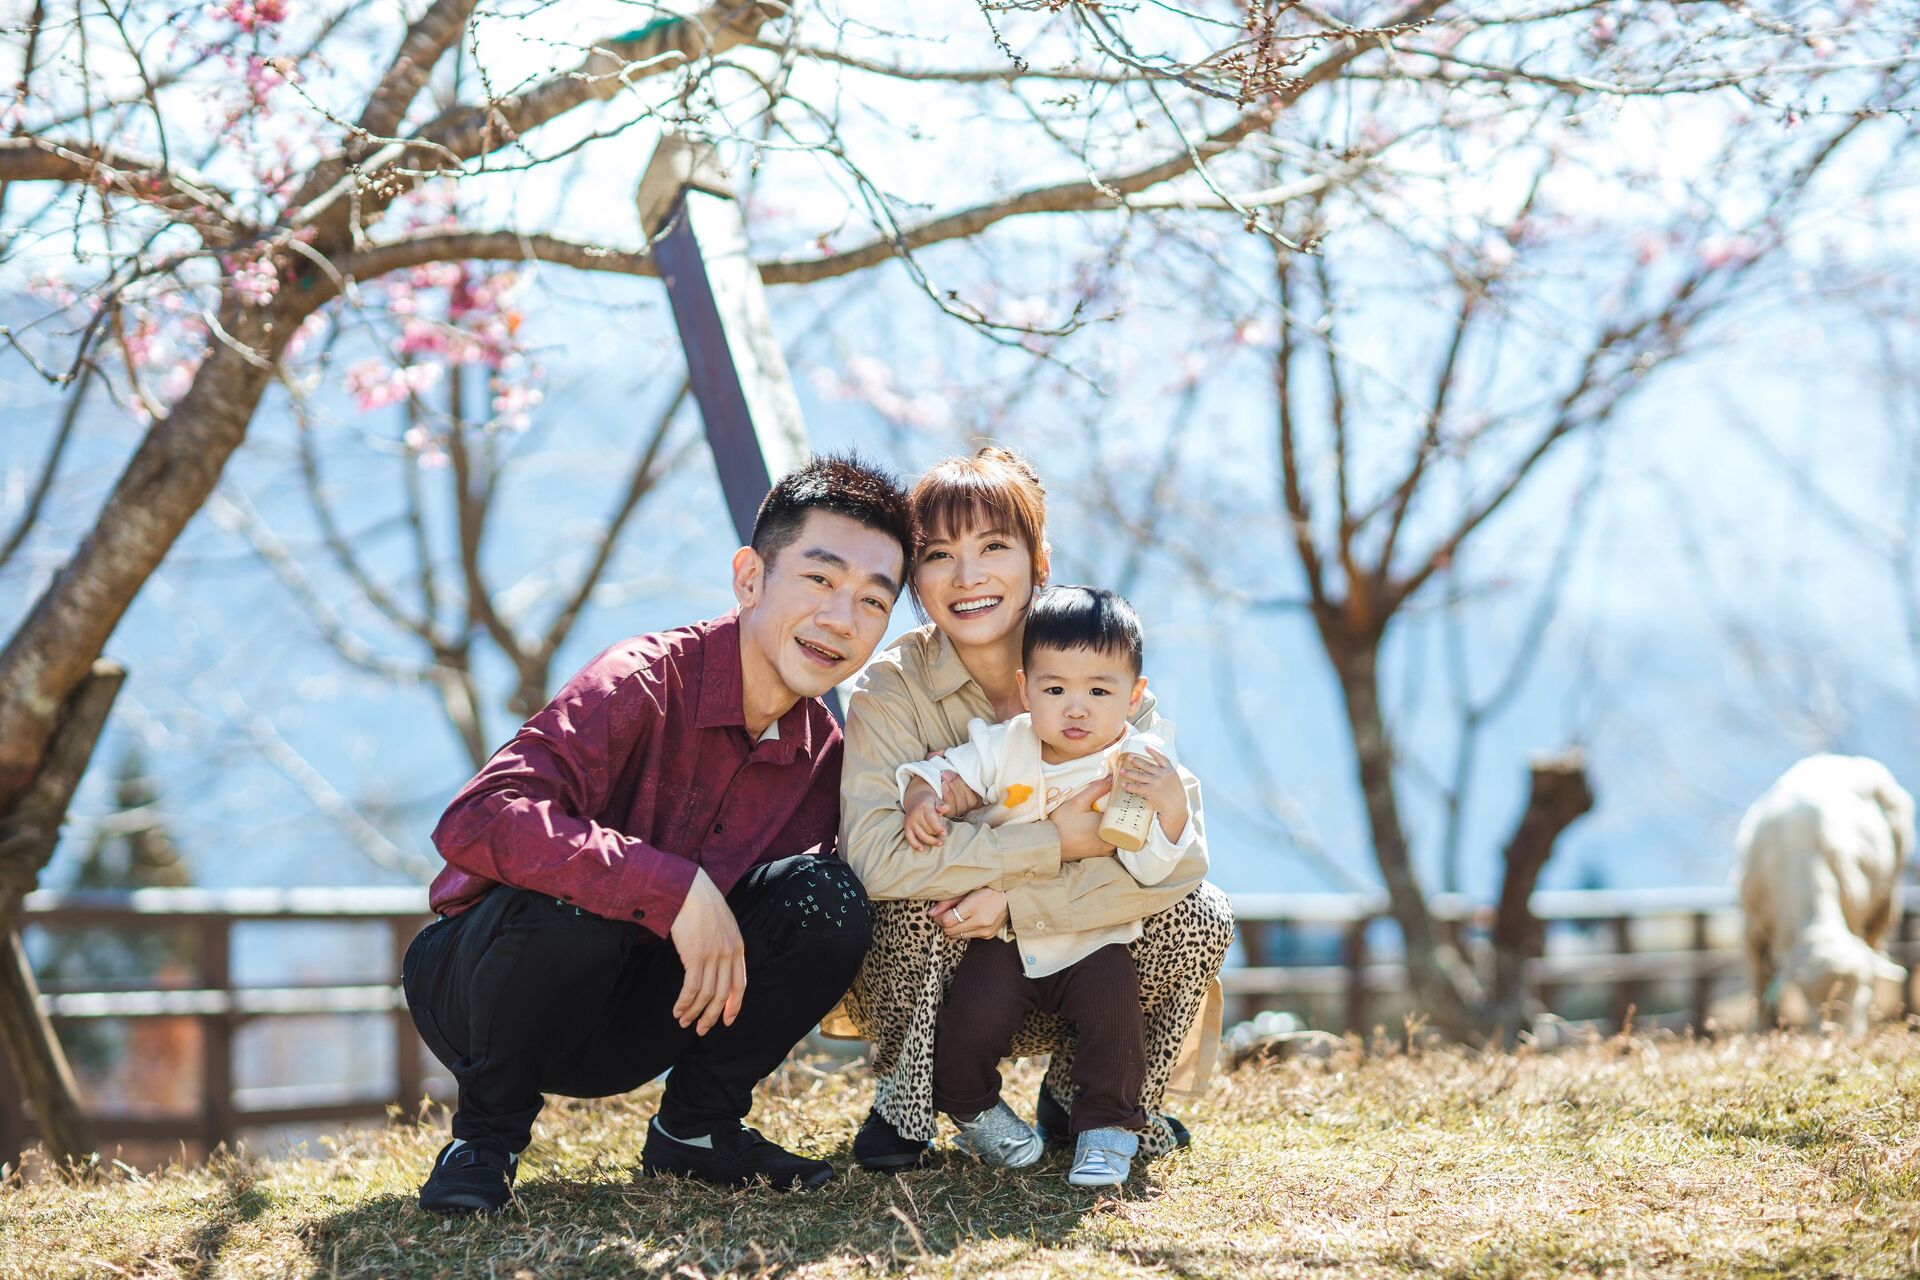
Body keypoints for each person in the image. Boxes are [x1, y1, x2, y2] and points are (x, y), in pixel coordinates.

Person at [401, 455, 913, 1214]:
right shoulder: (641, 678)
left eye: (873, 601)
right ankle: (483, 1141)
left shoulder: (827, 759)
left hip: (644, 1015)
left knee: (830, 897)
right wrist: (673, 888)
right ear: (750, 578)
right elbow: (478, 817)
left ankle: (697, 1129)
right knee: (582, 899)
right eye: (819, 579)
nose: (842, 619)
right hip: (486, 987)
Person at [834, 446, 1234, 1172]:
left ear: (1038, 561)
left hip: (1080, 956)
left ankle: (1098, 1101)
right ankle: (909, 1108)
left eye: (993, 547)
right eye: (938, 555)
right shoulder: (891, 690)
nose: (967, 576)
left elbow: (1178, 864)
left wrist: (1014, 898)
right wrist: (1055, 840)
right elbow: (877, 860)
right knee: (912, 901)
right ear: (914, 579)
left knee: (1200, 914)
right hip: (953, 962)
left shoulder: (1093, 655)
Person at [899, 585, 1204, 1188]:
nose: (1076, 709)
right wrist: (925, 795)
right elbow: (947, 771)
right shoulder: (1007, 742)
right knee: (968, 1023)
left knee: (1117, 1027)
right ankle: (970, 1105)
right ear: (1025, 689)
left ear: (1134, 695)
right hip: (1003, 936)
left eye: (1099, 691)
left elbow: (1152, 870)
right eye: (1055, 689)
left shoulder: (1137, 766)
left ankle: (1108, 1128)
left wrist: (1170, 809)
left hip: (1092, 933)